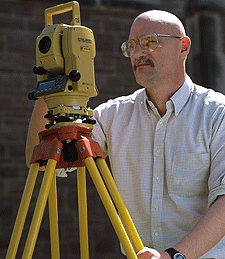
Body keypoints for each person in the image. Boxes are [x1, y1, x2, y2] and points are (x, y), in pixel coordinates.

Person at [26, 10, 225, 259]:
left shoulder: (218, 114)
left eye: (150, 42)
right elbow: (41, 160)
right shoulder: (113, 115)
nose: (138, 53)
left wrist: (173, 256)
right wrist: (52, 81)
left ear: (183, 47)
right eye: (131, 46)